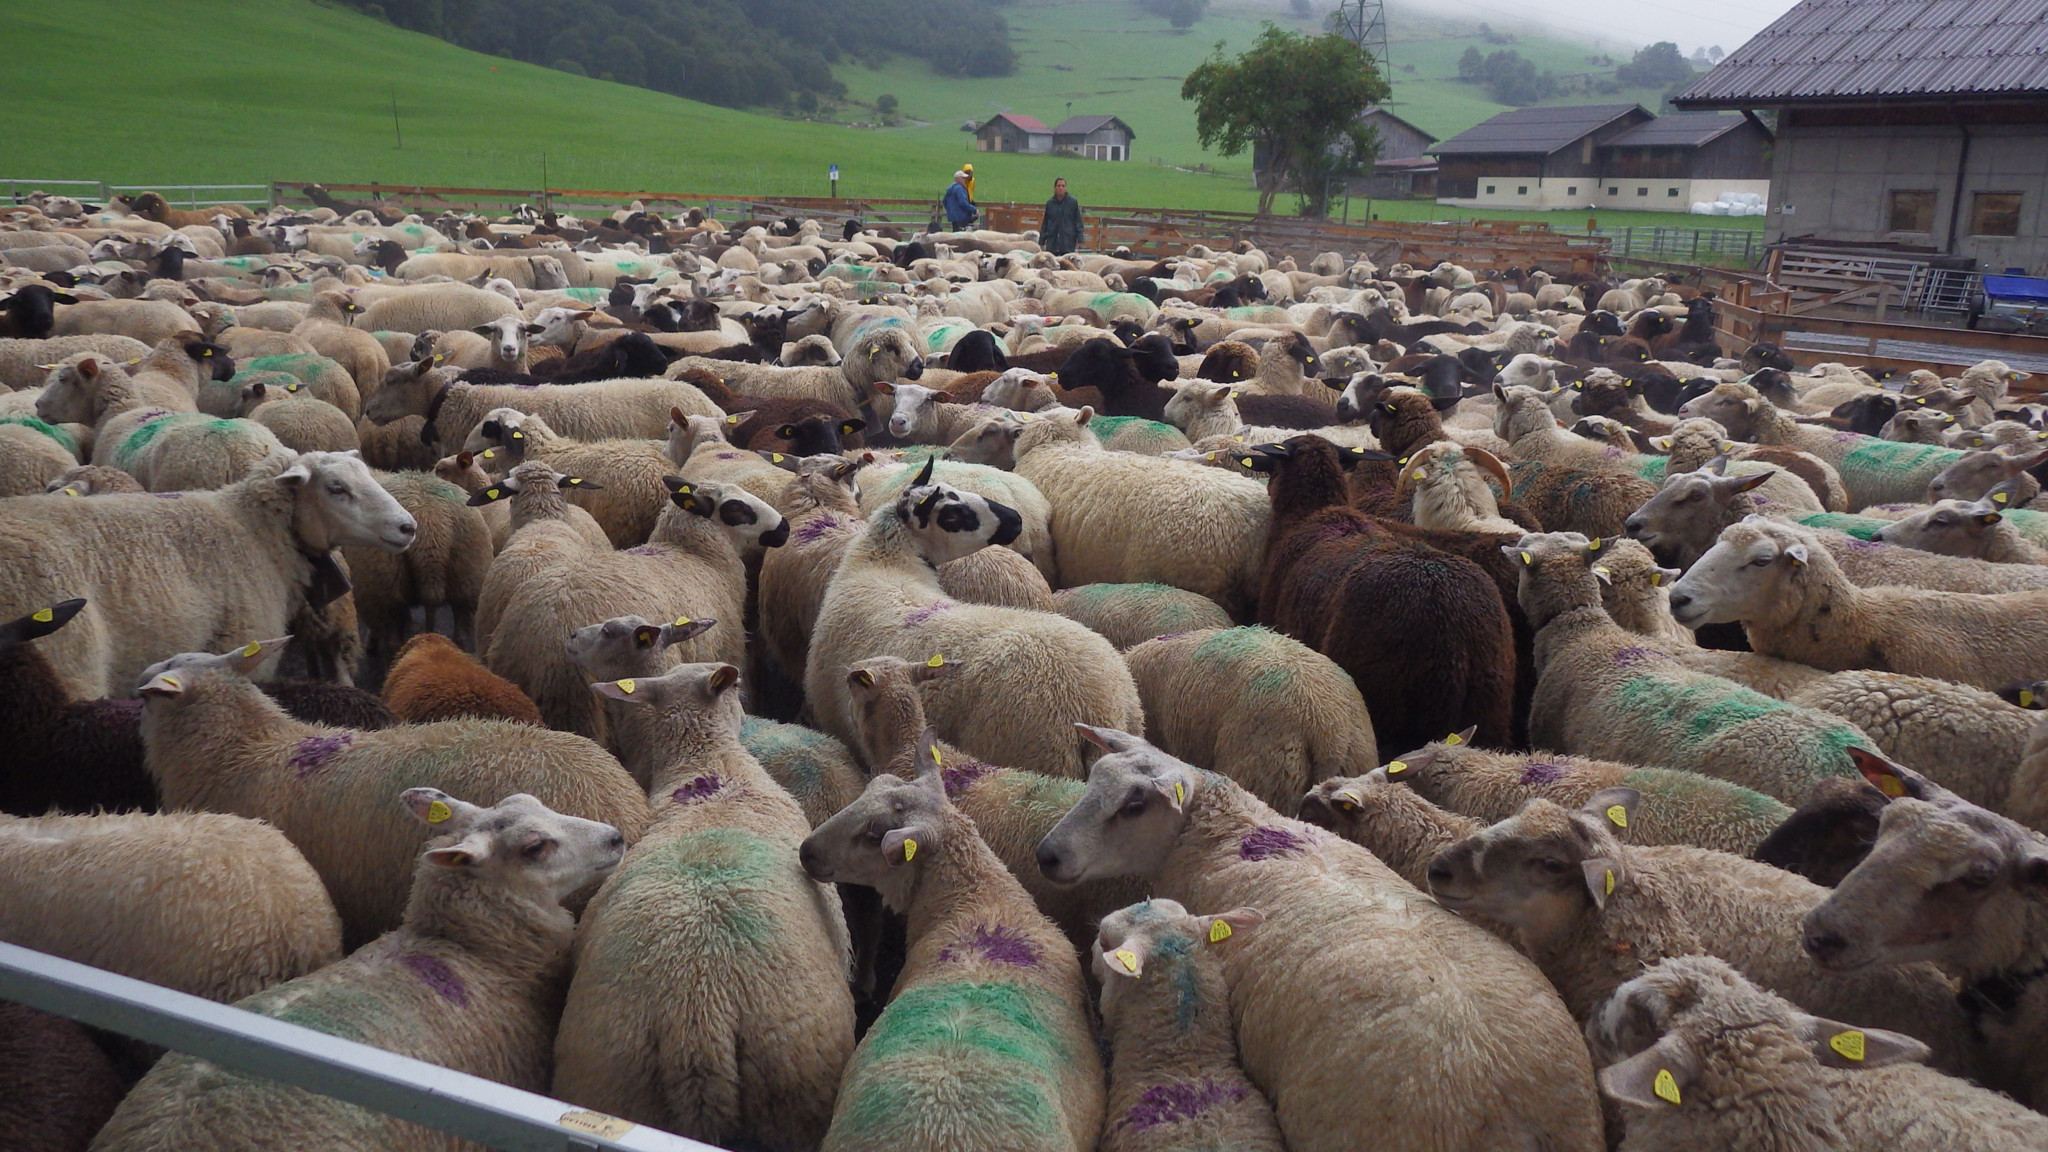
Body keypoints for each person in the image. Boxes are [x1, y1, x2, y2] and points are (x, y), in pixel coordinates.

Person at [1041, 176, 1083, 256]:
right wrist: (1042, 240)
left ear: (1066, 188)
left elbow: (1078, 221)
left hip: (1067, 242)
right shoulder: (1050, 203)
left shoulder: (1072, 202)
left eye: (1063, 186)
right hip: (1052, 242)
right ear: (1054, 187)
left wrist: (1080, 238)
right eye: (1059, 186)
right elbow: (1045, 222)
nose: (1061, 188)